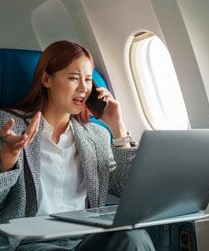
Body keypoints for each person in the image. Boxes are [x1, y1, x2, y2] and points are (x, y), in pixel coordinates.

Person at [0, 40, 156, 251]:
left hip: (84, 238)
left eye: (88, 80)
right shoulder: (8, 125)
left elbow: (128, 191)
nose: (83, 88)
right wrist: (7, 159)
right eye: (74, 78)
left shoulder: (97, 135)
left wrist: (118, 128)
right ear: (46, 79)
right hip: (30, 242)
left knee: (134, 237)